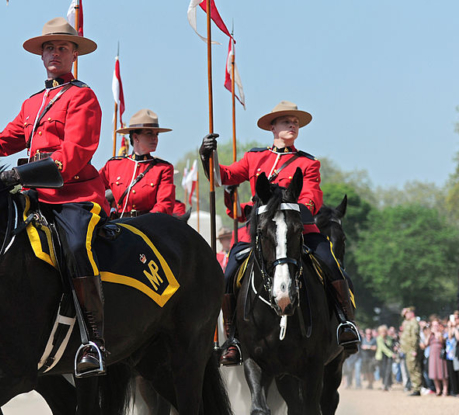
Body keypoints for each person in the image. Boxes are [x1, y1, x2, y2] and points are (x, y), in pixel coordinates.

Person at [0, 17, 107, 377]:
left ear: (74, 54)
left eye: (62, 47)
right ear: (42, 56)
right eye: (49, 48)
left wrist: (22, 173)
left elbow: (74, 153)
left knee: (75, 247)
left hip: (73, 194)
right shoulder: (32, 103)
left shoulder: (82, 95)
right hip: (33, 196)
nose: (54, 53)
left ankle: (93, 340)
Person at [199, 100, 360, 366]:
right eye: (287, 121)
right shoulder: (254, 158)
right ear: (272, 127)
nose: (293, 125)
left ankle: (345, 323)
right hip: (261, 234)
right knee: (229, 272)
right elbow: (223, 176)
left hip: (299, 230)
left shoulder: (308, 163)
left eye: (295, 122)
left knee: (331, 264)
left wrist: (290, 212)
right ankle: (233, 338)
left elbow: (312, 198)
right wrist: (208, 157)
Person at [99, 109, 175, 218]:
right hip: (117, 225)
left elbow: (165, 205)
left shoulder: (163, 169)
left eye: (156, 134)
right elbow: (93, 189)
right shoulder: (113, 166)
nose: (155, 138)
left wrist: (143, 223)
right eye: (149, 133)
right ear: (135, 137)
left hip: (148, 227)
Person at [400, 307, 423, 396]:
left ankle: (417, 389)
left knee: (414, 369)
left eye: (406, 314)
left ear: (411, 313)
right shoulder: (408, 323)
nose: (405, 316)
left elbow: (414, 337)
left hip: (411, 350)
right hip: (408, 350)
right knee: (411, 369)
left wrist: (414, 349)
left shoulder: (414, 323)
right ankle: (415, 387)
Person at [427, 320, 449, 396]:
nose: (435, 327)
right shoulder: (431, 335)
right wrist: (430, 334)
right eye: (434, 325)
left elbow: (443, 342)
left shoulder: (441, 334)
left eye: (436, 325)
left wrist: (438, 334)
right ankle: (438, 390)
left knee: (442, 373)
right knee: (434, 373)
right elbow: (426, 343)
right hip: (433, 355)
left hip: (440, 355)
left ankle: (445, 390)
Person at [376, 325, 395, 391]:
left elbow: (390, 345)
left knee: (388, 371)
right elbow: (383, 348)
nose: (383, 333)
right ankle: (384, 384)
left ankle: (388, 384)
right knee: (383, 371)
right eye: (382, 332)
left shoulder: (389, 338)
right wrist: (391, 354)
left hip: (389, 357)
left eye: (384, 332)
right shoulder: (379, 339)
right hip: (382, 357)